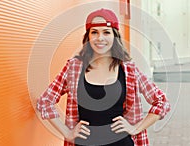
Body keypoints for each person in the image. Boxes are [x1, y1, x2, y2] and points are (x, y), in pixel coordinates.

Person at [37, 8, 170, 146]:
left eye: (106, 32)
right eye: (94, 32)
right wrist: (67, 133)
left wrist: (135, 128)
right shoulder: (74, 68)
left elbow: (161, 101)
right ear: (88, 36)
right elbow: (45, 101)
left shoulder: (128, 70)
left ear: (115, 36)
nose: (100, 38)